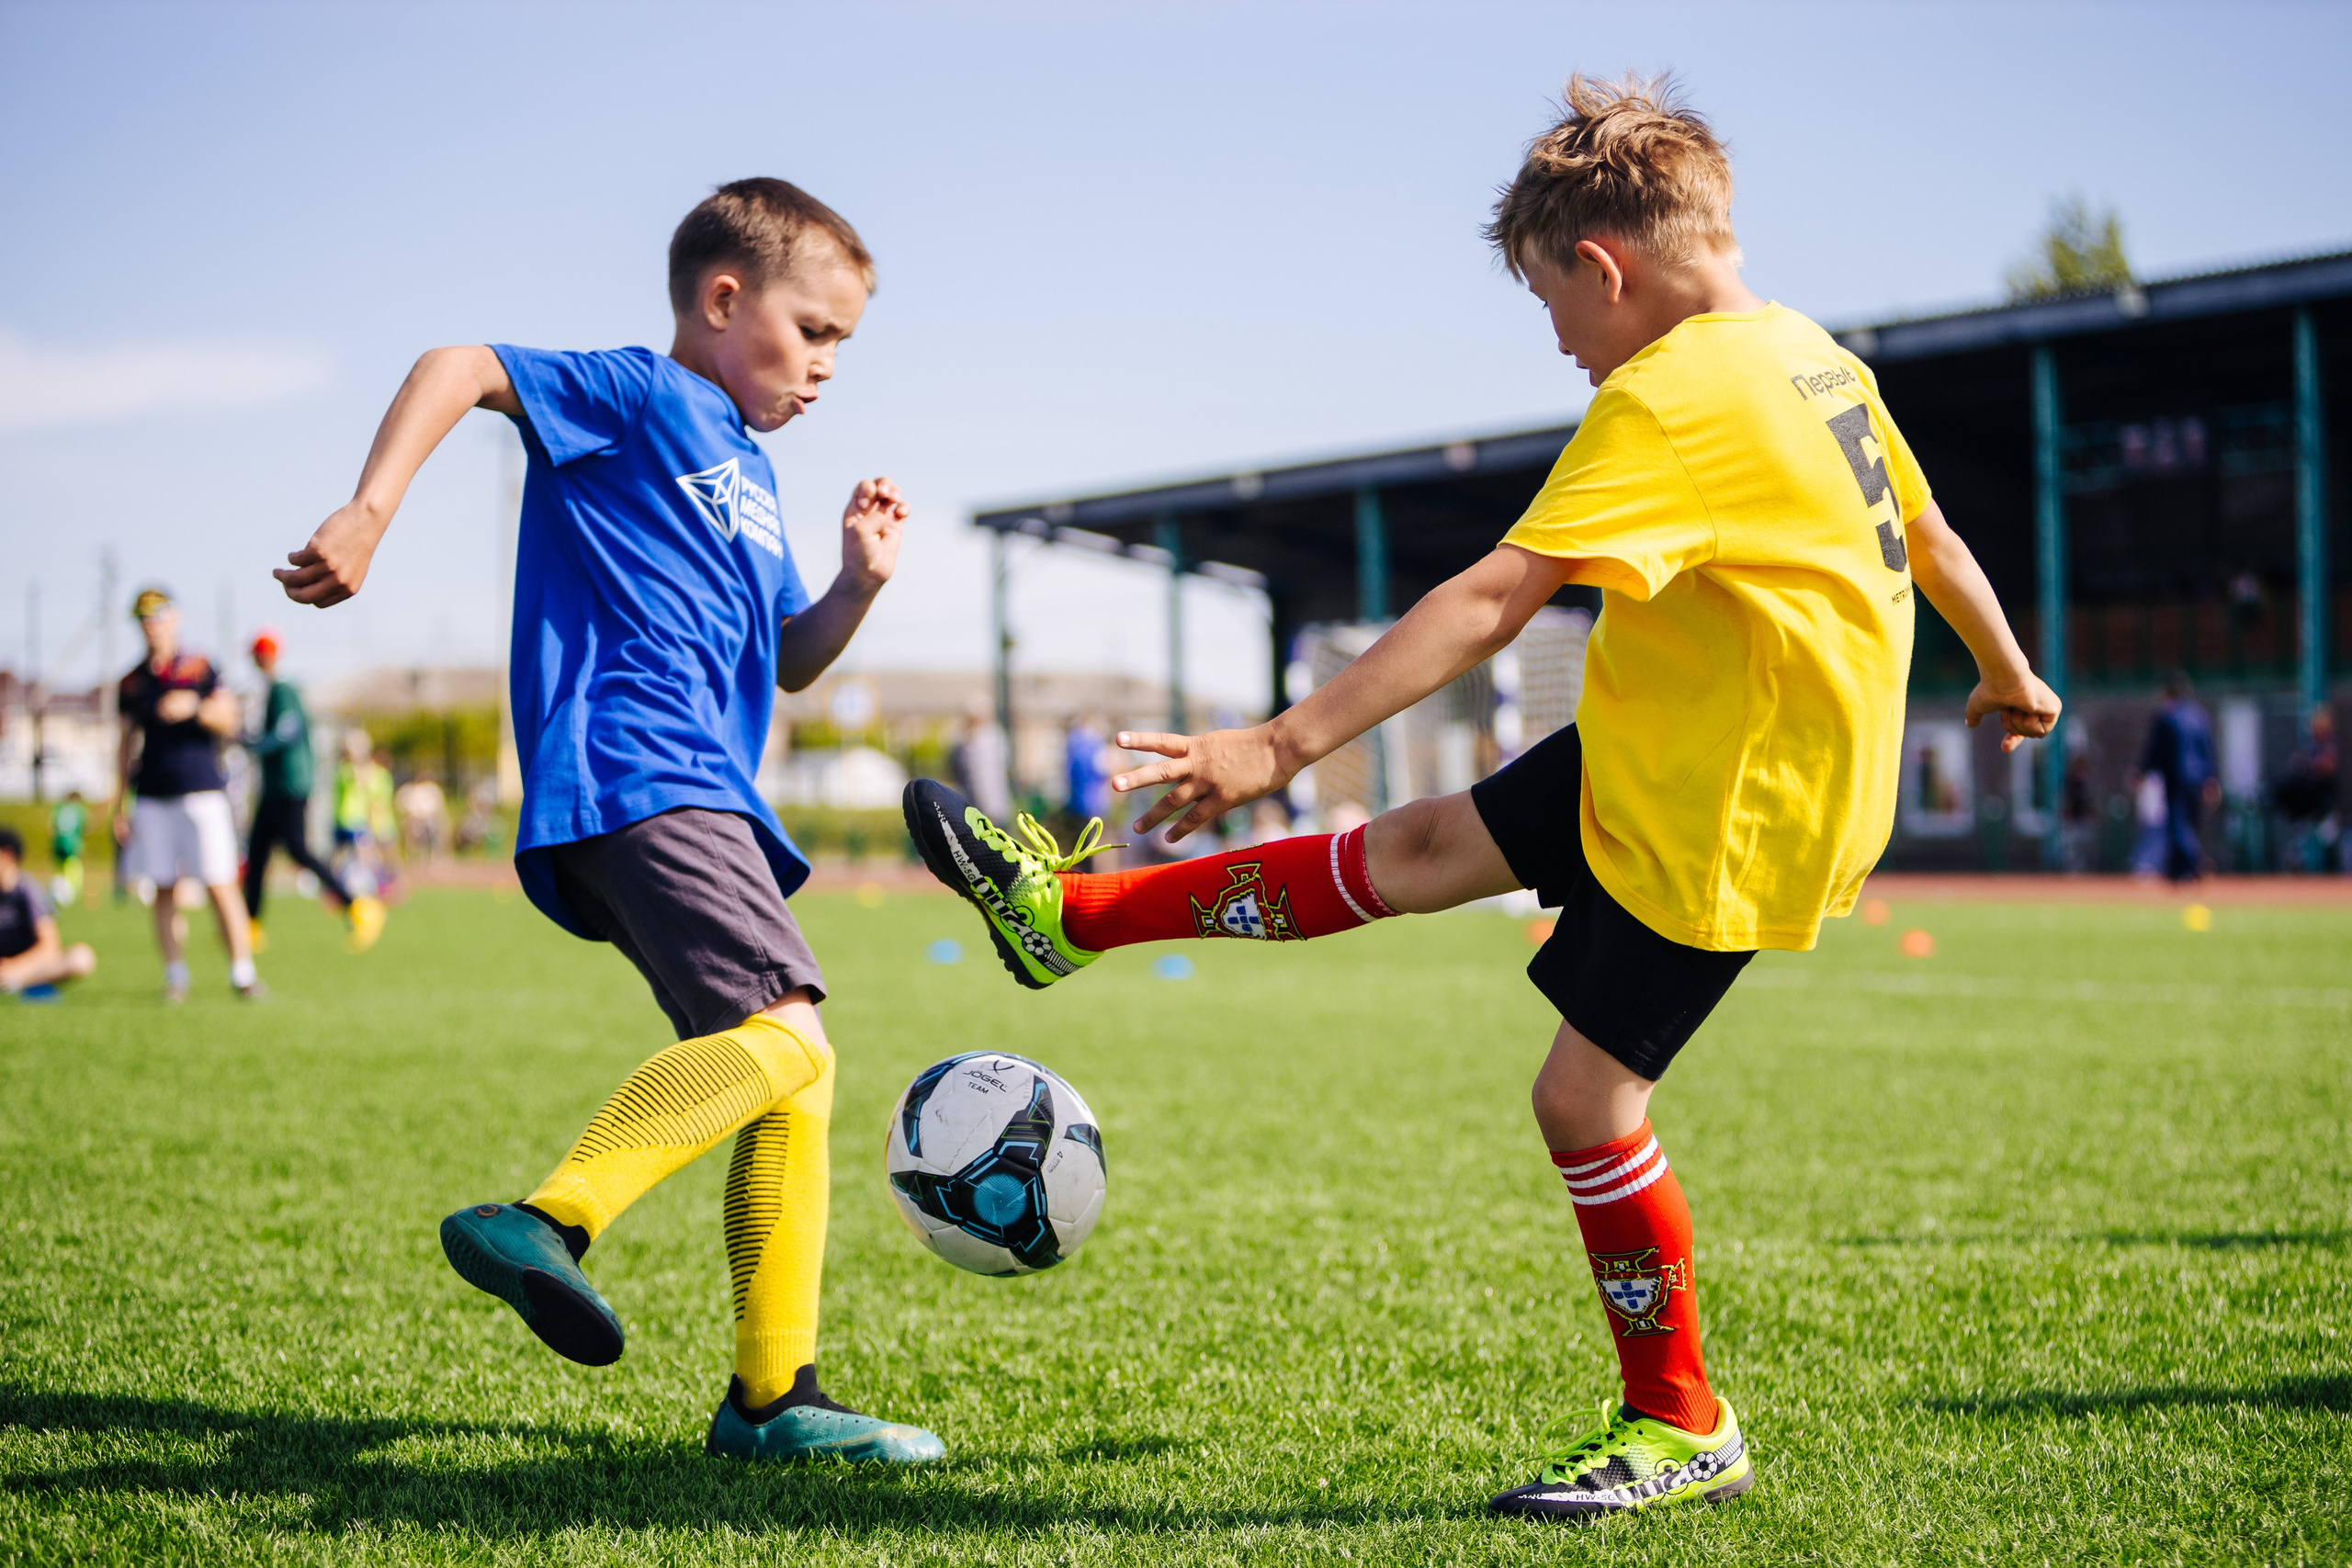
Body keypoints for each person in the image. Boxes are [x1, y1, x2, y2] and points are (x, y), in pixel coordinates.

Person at [906, 76, 2061, 1518]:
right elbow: (1932, 525)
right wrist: (2010, 666)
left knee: (1585, 1098)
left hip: (1735, 804)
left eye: (1549, 307)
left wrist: (1275, 743)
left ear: (1604, 265)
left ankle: (1681, 1418)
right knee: (1422, 842)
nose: (1565, 347)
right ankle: (1069, 916)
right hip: (1681, 739)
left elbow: (1494, 599)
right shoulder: (1812, 357)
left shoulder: (1671, 393)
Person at [275, 178, 937, 1464]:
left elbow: (788, 661)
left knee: (788, 1075)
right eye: (814, 331)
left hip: (703, 789)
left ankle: (771, 1398)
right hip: (644, 766)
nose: (828, 367)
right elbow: (460, 364)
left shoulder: (751, 475)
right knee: (790, 1039)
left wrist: (855, 585)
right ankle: (553, 1217)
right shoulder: (640, 396)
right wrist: (371, 510)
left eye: (845, 345)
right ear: (723, 298)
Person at [115, 586, 265, 1002]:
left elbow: (230, 719)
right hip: (151, 794)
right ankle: (175, 975)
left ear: (175, 618)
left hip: (201, 790)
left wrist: (193, 708)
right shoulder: (131, 681)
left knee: (221, 882)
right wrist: (118, 803)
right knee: (162, 886)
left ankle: (243, 972)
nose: (152, 627)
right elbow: (124, 745)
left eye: (158, 617)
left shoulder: (200, 667)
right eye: (144, 620)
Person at [243, 628, 386, 953]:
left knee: (297, 850)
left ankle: (358, 905)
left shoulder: (283, 690)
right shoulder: (277, 689)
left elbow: (285, 732)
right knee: (257, 852)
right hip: (277, 786)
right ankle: (249, 926)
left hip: (289, 785)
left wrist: (253, 744)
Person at [2135, 671, 2217, 885]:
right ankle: (2180, 871)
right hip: (2198, 778)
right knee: (2190, 823)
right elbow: (2208, 749)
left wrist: (2141, 771)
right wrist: (2211, 779)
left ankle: (2195, 861)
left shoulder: (2167, 715)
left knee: (2178, 824)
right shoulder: (2199, 715)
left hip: (2177, 777)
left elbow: (2156, 750)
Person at [0, 827, 96, 998]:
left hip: (27, 965)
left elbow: (49, 946)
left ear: (7, 856)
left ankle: (18, 983)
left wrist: (14, 968)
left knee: (81, 958)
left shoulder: (27, 891)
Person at [47, 790, 88, 908]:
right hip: (71, 844)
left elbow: (51, 827)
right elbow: (84, 827)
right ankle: (68, 894)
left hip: (58, 843)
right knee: (74, 869)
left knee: (59, 870)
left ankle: (57, 892)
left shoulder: (59, 808)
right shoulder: (79, 810)